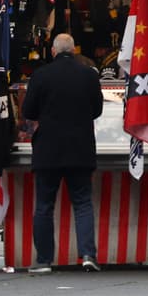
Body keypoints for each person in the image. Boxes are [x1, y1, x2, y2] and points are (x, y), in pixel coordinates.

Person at [21, 33, 104, 274]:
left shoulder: (40, 75)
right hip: (81, 148)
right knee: (83, 203)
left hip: (48, 149)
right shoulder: (89, 75)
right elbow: (97, 109)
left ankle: (44, 260)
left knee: (44, 205)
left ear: (54, 51)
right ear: (74, 50)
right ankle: (88, 254)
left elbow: (29, 111)